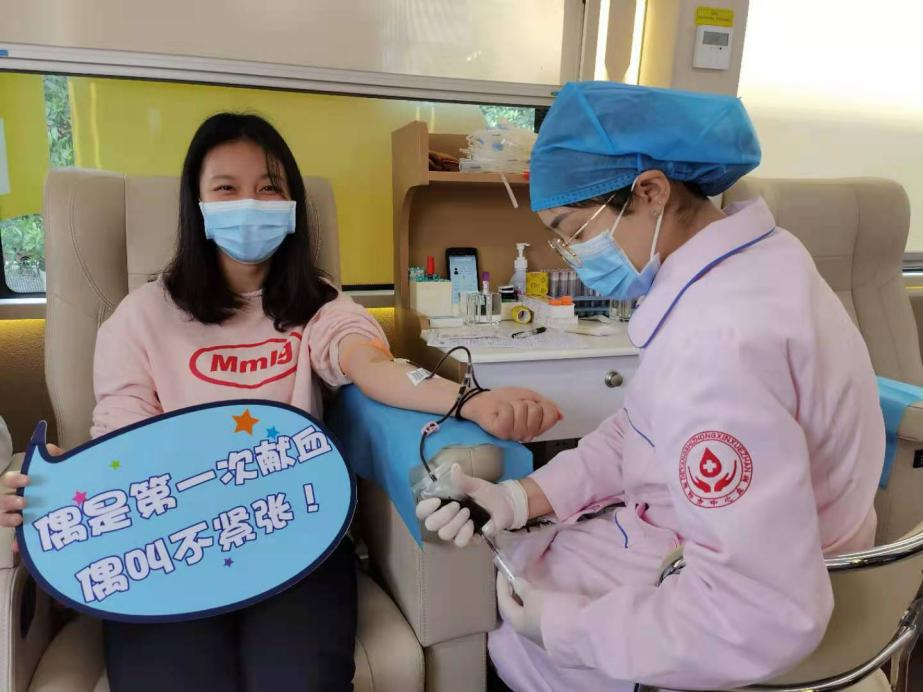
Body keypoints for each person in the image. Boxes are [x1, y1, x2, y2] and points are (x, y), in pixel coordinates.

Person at [0, 112, 561, 692]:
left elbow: (374, 368)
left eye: (269, 187)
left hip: (295, 534)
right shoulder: (139, 318)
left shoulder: (319, 304)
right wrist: (59, 492)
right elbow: (122, 447)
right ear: (198, 206)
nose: (250, 203)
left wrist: (468, 401)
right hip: (171, 549)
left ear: (292, 205)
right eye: (226, 188)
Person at [416, 81, 884, 691]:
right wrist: (520, 497)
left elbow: (758, 612)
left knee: (502, 624)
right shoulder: (761, 262)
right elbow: (638, 430)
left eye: (574, 230)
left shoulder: (716, 344)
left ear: (651, 191)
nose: (572, 255)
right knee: (523, 559)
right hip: (743, 549)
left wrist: (567, 629)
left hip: (734, 606)